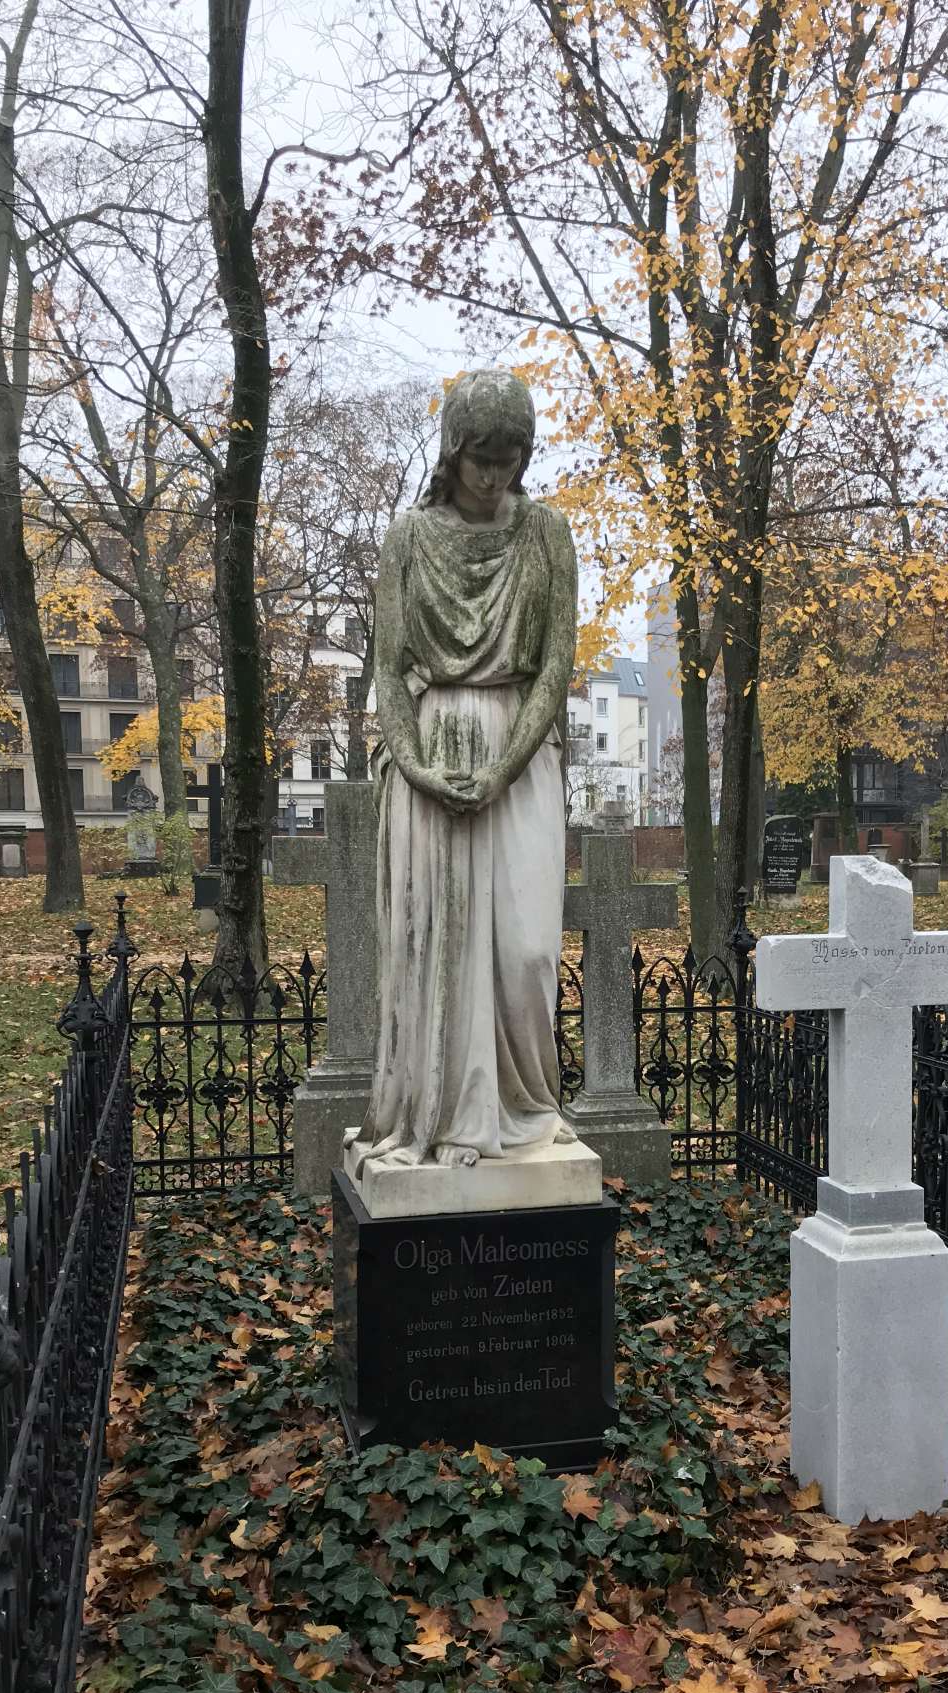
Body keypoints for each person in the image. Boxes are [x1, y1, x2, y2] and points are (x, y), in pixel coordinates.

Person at [349, 368, 579, 1172]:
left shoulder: (547, 532)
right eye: (482, 457)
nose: (495, 474)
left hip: (520, 755)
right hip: (435, 750)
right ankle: (441, 1114)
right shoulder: (408, 540)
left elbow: (556, 667)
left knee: (525, 954)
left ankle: (525, 1106)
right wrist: (411, 765)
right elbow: (387, 671)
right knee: (432, 949)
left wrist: (507, 766)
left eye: (510, 457)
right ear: (454, 453)